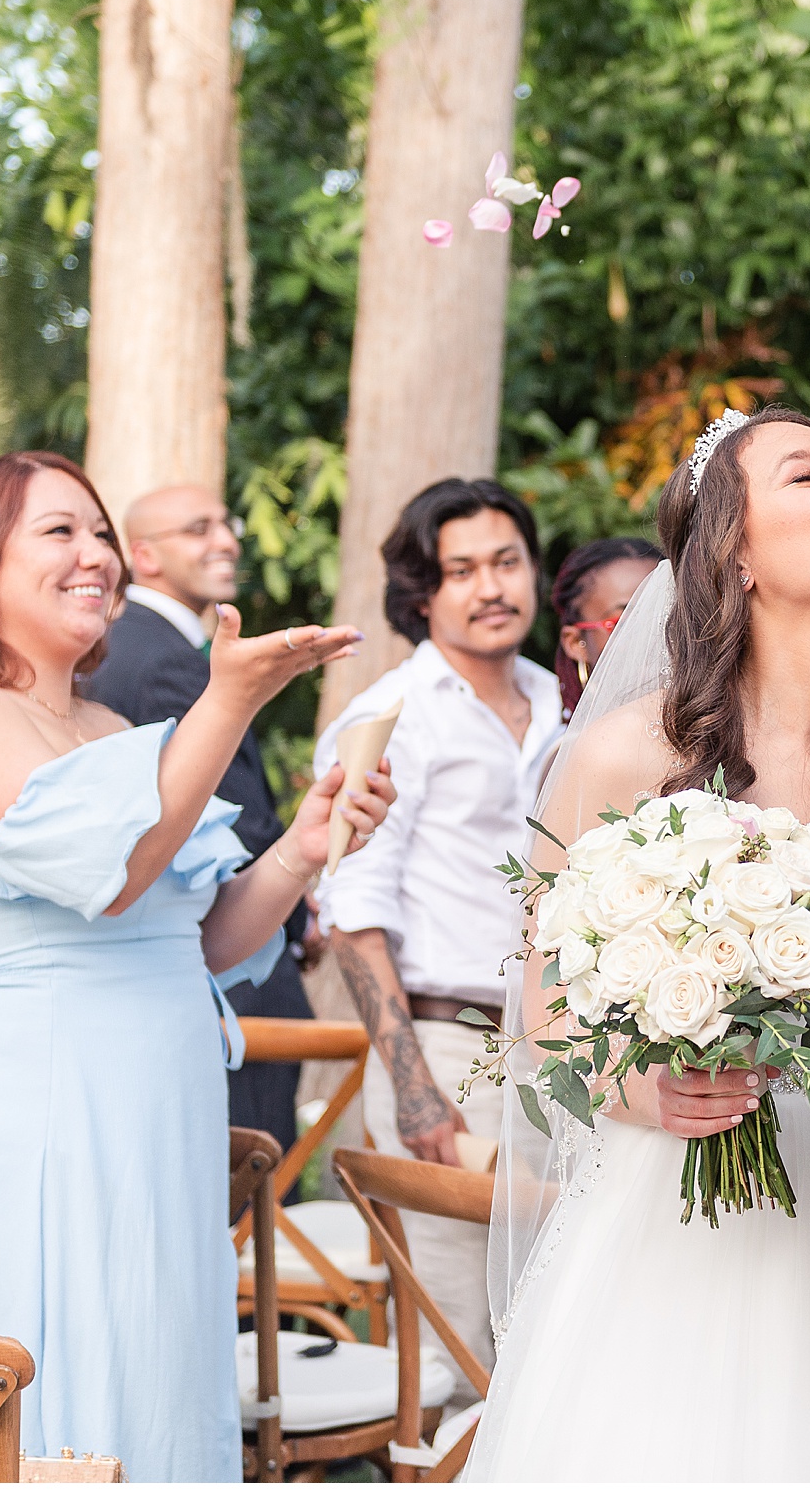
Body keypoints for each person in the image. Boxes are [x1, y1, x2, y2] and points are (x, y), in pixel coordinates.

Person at [0, 452, 394, 1483]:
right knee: (45, 1385)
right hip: (35, 1139)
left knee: (151, 1386)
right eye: (60, 532)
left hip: (155, 1131)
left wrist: (302, 843)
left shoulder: (110, 728)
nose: (94, 554)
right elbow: (102, 875)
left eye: (100, 532)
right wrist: (227, 703)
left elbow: (190, 936)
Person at [465, 407, 810, 1481]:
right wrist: (647, 1090)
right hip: (691, 1209)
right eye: (807, 473)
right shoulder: (622, 755)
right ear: (733, 549)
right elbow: (545, 1028)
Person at [313, 477, 564, 1409]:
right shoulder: (386, 716)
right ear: (423, 592)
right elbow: (351, 911)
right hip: (444, 1052)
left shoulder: (560, 702)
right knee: (466, 1359)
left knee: (553, 1340)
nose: (489, 587)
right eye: (461, 571)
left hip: (563, 1054)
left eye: (506, 562)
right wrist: (413, 1088)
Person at [86, 484, 316, 1167]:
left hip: (192, 961)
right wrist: (296, 916)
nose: (225, 540)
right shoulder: (161, 659)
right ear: (144, 556)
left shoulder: (127, 647)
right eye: (197, 529)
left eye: (225, 523)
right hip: (229, 973)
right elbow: (228, 821)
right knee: (250, 1205)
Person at [548, 535, 661, 719]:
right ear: (575, 642)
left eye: (664, 616)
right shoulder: (571, 745)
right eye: (624, 624)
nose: (651, 637)